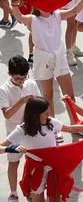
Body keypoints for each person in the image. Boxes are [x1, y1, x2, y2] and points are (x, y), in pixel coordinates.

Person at [0, 56, 40, 201]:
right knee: (14, 163)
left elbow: (40, 106)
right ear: (9, 73)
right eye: (18, 79)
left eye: (24, 78)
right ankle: (13, 193)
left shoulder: (32, 84)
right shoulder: (3, 90)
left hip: (33, 130)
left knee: (35, 162)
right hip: (14, 134)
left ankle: (32, 189)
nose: (22, 81)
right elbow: (7, 114)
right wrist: (21, 101)